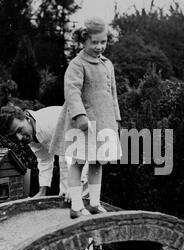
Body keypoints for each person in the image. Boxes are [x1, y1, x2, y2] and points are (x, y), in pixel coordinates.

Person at [50, 17, 122, 219]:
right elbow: (72, 92)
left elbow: (113, 93)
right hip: (83, 123)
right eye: (95, 42)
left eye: (103, 42)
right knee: (78, 162)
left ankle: (94, 203)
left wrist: (115, 117)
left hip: (104, 120)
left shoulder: (108, 65)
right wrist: (80, 116)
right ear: (84, 41)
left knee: (98, 162)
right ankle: (76, 205)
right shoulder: (77, 64)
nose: (100, 46)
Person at [0, 104, 88, 199]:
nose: (19, 138)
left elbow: (78, 151)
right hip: (71, 152)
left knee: (82, 198)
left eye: (19, 130)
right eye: (14, 136)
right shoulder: (31, 133)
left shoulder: (49, 123)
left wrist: (75, 185)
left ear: (27, 118)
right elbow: (45, 160)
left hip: (89, 142)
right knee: (65, 197)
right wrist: (42, 192)